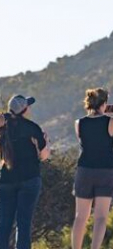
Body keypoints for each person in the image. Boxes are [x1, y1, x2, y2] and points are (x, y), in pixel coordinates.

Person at [71, 88, 113, 249]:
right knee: (100, 218)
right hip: (106, 171)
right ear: (104, 104)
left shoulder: (79, 123)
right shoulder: (111, 122)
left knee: (80, 217)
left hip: (84, 170)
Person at [0, 95, 50, 249]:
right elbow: (43, 156)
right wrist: (47, 141)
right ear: (25, 109)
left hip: (6, 180)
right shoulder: (32, 128)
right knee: (24, 223)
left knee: (4, 224)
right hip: (29, 179)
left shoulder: (3, 127)